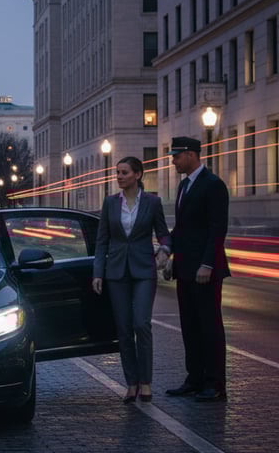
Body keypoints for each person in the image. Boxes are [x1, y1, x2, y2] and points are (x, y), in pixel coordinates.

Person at [92, 156, 170, 403]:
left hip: (144, 270)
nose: (119, 177)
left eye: (124, 172)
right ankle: (131, 383)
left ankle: (146, 382)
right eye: (117, 173)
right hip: (116, 273)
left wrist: (164, 251)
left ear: (137, 175)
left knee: (141, 324)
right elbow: (101, 241)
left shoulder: (152, 202)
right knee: (124, 330)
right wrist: (98, 272)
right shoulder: (110, 203)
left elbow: (164, 235)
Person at [165, 136, 229, 402]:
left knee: (209, 327)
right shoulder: (183, 187)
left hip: (205, 270)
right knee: (189, 326)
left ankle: (215, 384)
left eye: (176, 156)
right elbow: (182, 228)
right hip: (185, 268)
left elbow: (217, 229)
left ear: (191, 154)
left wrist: (207, 264)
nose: (173, 161)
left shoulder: (213, 185)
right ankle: (195, 379)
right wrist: (170, 256)